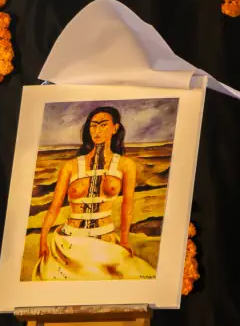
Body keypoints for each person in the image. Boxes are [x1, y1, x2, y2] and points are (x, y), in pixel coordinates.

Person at [33, 106, 155, 280]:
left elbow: (127, 205)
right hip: (68, 243)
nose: (97, 130)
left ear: (115, 128)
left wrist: (125, 240)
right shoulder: (71, 166)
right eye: (93, 125)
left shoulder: (126, 165)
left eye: (103, 125)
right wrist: (43, 238)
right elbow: (55, 206)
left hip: (105, 241)